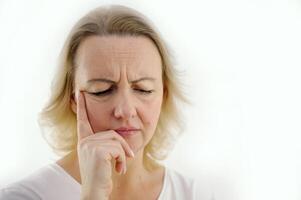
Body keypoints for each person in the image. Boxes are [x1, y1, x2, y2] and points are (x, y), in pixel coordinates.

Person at [0, 4, 210, 200]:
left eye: (143, 89)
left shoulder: (195, 194)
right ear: (72, 99)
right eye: (102, 91)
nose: (126, 110)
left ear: (163, 95)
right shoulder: (23, 196)